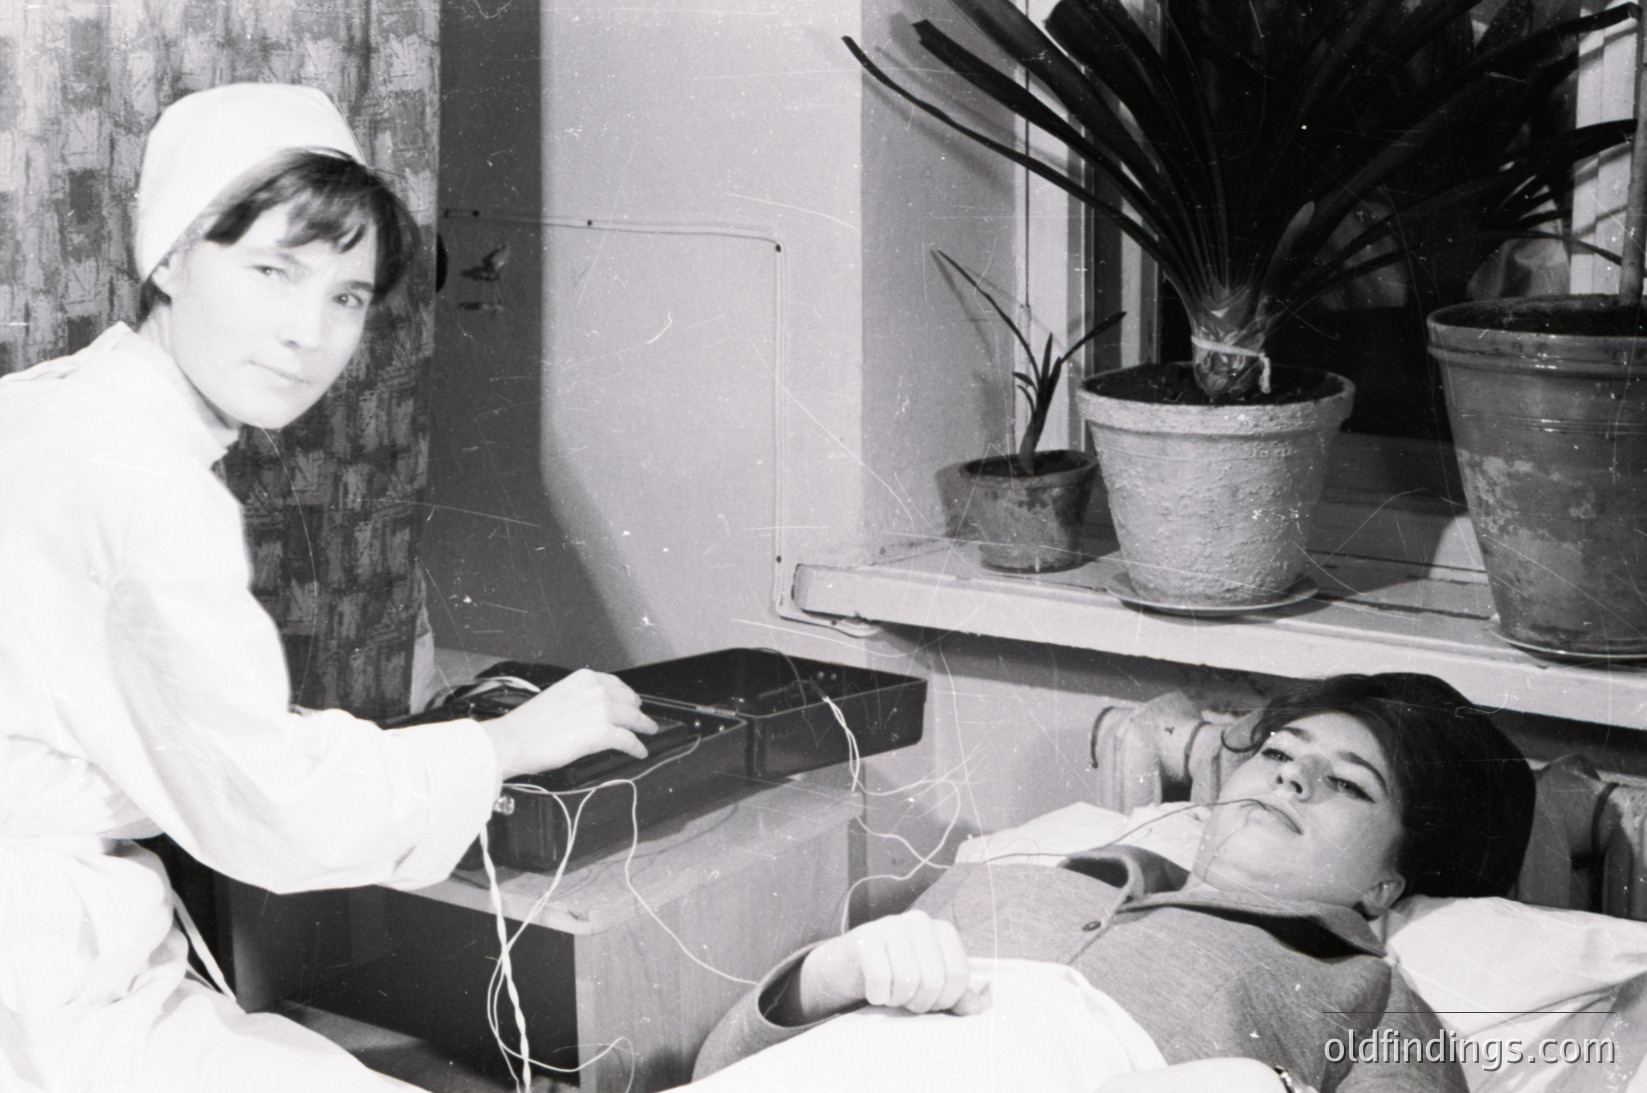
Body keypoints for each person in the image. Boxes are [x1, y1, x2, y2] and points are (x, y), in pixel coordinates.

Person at [0, 83, 657, 1092]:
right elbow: (274, 808)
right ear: (169, 257)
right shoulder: (140, 485)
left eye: (346, 296)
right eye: (274, 270)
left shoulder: (57, 409)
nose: (309, 333)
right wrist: (512, 742)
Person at [690, 673, 1536, 1093]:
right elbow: (718, 1065)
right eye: (1278, 754)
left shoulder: (1365, 989)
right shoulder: (1013, 877)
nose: (1288, 779)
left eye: (1346, 783)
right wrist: (826, 974)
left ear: (1390, 884)